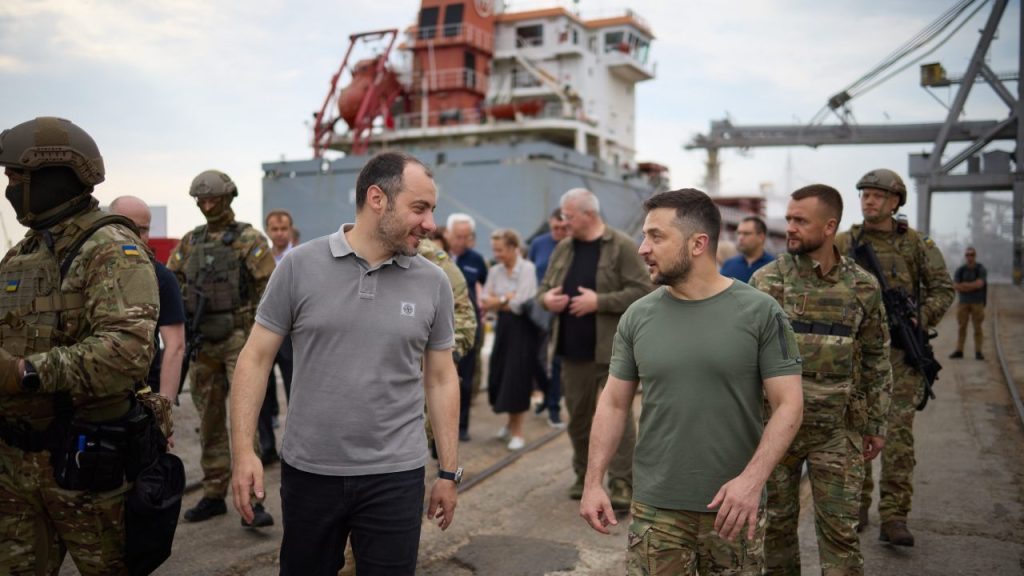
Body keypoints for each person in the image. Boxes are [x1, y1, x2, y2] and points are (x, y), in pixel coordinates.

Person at [228, 151, 461, 576]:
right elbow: (255, 359)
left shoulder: (433, 282)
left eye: (432, 210)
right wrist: (243, 452)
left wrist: (448, 470)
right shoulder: (299, 266)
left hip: (396, 475)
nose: (430, 223)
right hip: (309, 473)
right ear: (377, 199)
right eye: (419, 208)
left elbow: (442, 378)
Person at [579, 189, 804, 575]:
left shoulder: (760, 312)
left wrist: (752, 482)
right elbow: (614, 402)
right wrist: (593, 481)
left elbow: (790, 404)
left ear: (698, 243)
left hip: (734, 508)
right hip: (656, 509)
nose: (642, 248)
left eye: (656, 236)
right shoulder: (637, 316)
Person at [0, 117, 159, 574]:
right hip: (16, 466)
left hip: (83, 463)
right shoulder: (23, 252)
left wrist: (25, 373)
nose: (10, 187)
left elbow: (126, 353)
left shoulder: (110, 247)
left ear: (53, 177)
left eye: (17, 177)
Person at [750, 184, 892, 575]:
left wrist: (876, 424)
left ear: (829, 227)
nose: (790, 227)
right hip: (775, 429)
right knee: (774, 530)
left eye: (800, 220)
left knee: (841, 535)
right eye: (788, 219)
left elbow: (877, 359)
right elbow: (743, 360)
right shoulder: (766, 283)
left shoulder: (862, 286)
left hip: (837, 431)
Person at [835, 168, 954, 546]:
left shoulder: (916, 244)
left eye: (877, 195)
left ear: (895, 201)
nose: (869, 201)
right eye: (865, 194)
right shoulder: (843, 242)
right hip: (855, 356)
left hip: (901, 357)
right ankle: (856, 509)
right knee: (855, 435)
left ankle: (895, 517)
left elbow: (943, 288)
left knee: (898, 439)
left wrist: (923, 315)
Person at [168, 169, 276, 528]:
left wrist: (261, 336)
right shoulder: (190, 242)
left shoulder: (248, 239)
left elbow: (269, 289)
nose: (207, 205)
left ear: (228, 198)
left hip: (240, 341)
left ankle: (254, 499)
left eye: (213, 199)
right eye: (202, 200)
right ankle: (214, 493)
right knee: (209, 419)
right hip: (204, 343)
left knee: (244, 419)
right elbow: (173, 284)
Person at [538, 188, 651, 509]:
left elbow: (644, 290)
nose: (564, 222)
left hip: (612, 352)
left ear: (589, 214)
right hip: (571, 351)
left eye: (569, 216)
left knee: (618, 420)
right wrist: (547, 300)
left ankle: (621, 483)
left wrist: (598, 302)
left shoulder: (622, 247)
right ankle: (585, 475)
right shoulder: (564, 248)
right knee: (578, 419)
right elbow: (544, 290)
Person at [110, 195, 186, 444]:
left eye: (144, 229)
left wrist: (163, 413)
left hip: (142, 397)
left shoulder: (161, 277)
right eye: (131, 227)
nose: (139, 236)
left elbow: (174, 346)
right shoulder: (84, 271)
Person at [482, 229, 539, 450]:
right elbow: (486, 301)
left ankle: (518, 431)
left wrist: (500, 301)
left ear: (514, 248)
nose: (496, 254)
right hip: (503, 328)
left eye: (500, 249)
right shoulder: (495, 270)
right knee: (499, 375)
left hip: (523, 329)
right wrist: (506, 298)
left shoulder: (527, 269)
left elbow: (520, 304)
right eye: (494, 249)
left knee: (517, 378)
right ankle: (508, 422)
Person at [256, 209, 296, 465]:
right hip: (267, 332)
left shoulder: (300, 258)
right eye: (274, 229)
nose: (279, 233)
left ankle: (294, 444)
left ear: (290, 230)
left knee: (296, 389)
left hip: (293, 336)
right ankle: (267, 445)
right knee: (262, 390)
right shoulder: (260, 260)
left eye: (283, 229)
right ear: (268, 231)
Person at [446, 213, 488, 441]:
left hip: (468, 328)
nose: (461, 241)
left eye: (465, 236)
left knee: (466, 379)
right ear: (449, 234)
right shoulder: (439, 257)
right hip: (443, 327)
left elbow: (483, 285)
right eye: (457, 236)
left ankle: (461, 426)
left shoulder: (476, 260)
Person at [527, 208, 569, 426]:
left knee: (558, 361)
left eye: (564, 228)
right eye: (556, 228)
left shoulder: (572, 246)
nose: (560, 232)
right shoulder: (538, 244)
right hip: (541, 306)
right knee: (534, 357)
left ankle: (553, 407)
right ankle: (545, 392)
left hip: (566, 309)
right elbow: (530, 271)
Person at [950, 246, 987, 360]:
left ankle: (978, 351)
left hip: (977, 302)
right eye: (967, 255)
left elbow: (980, 284)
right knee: (962, 327)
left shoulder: (980, 269)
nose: (969, 257)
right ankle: (959, 350)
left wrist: (964, 285)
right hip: (963, 303)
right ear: (965, 256)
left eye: (971, 255)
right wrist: (972, 285)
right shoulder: (960, 270)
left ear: (975, 256)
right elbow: (955, 285)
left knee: (978, 328)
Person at [721, 216, 775, 282]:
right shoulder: (728, 264)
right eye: (739, 233)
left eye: (746, 234)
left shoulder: (775, 267)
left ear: (761, 237)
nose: (740, 238)